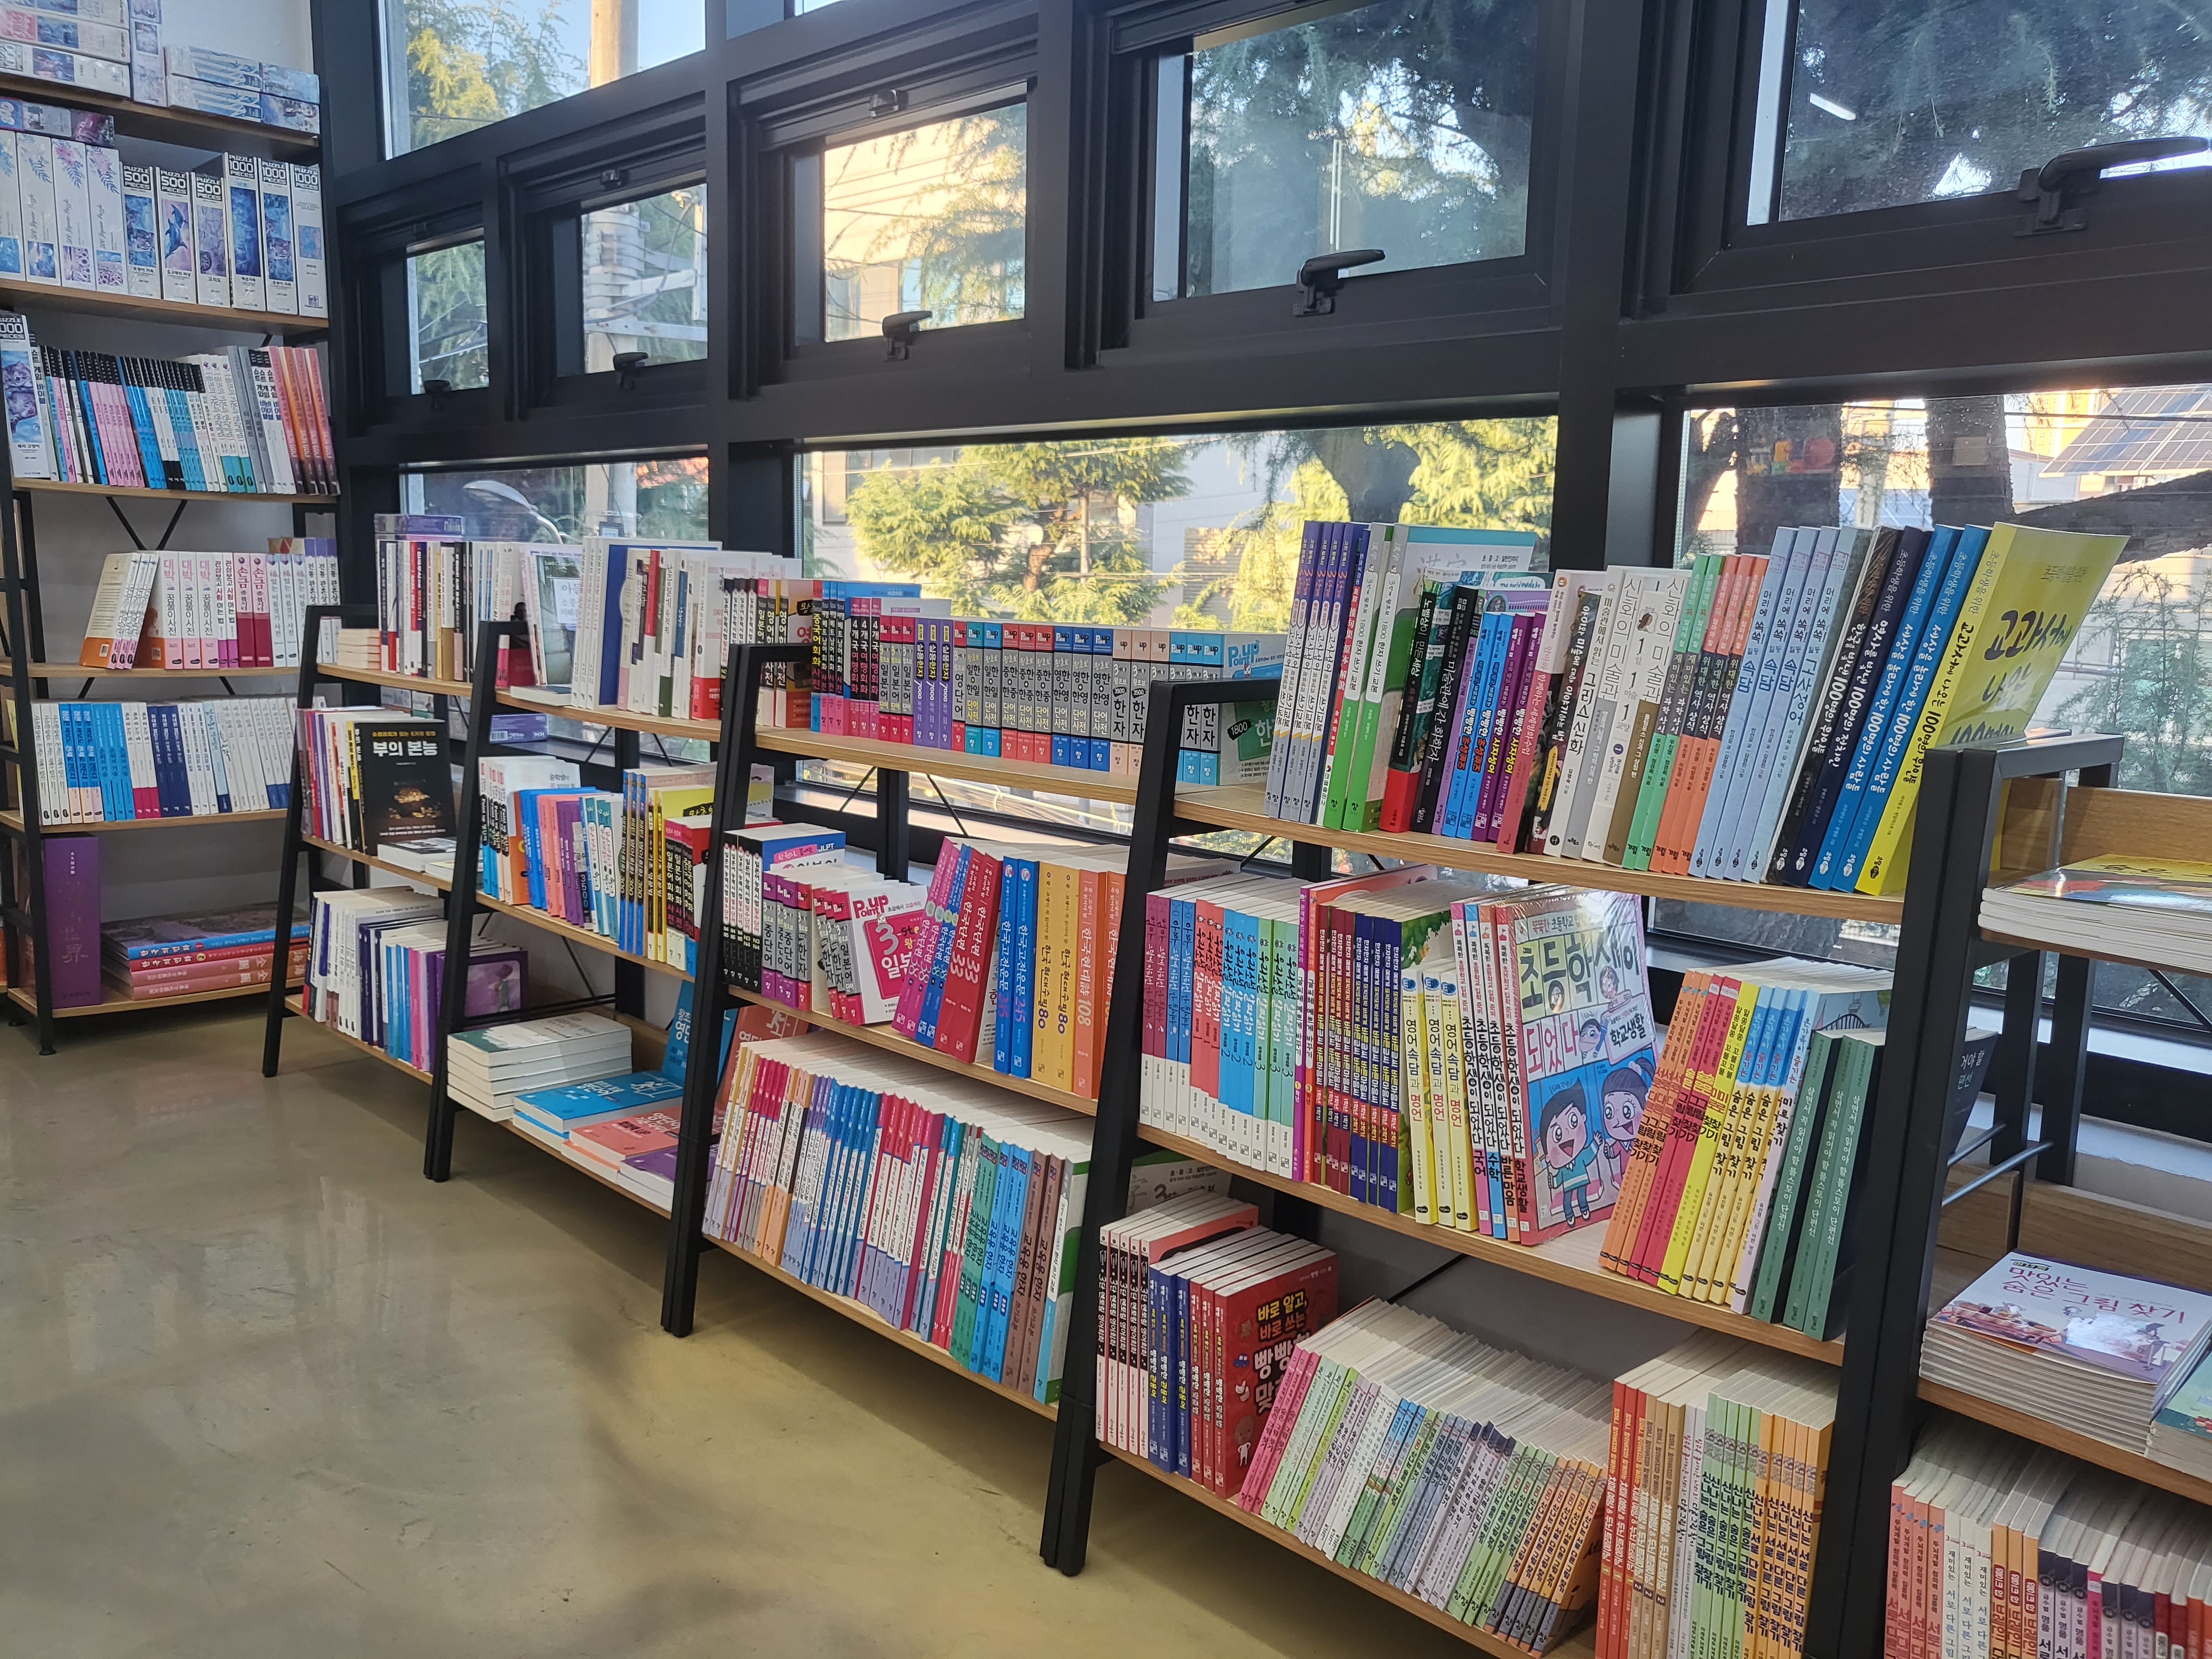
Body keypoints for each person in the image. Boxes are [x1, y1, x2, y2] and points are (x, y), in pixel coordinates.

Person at [1539, 1081, 1600, 1225]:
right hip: (1568, 1185)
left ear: (1583, 1118)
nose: (1567, 1132)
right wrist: (1552, 1181)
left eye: (1573, 1121)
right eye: (1557, 1134)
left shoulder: (1580, 1157)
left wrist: (1596, 1143)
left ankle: (1584, 1209)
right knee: (1567, 1201)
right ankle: (1569, 1215)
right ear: (1548, 1156)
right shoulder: (1562, 1169)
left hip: (1582, 1180)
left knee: (1581, 1196)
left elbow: (1589, 1155)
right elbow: (1558, 1180)